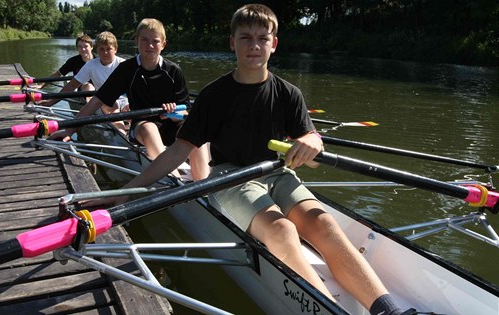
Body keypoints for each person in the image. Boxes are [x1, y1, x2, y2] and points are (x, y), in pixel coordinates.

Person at [108, 4, 407, 315]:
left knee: (324, 222)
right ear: (232, 42)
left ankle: (389, 309)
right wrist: (129, 190)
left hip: (277, 173)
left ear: (273, 44)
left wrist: (310, 142)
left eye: (262, 38)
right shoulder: (214, 95)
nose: (254, 46)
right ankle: (329, 309)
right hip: (231, 178)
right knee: (282, 231)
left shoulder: (289, 93)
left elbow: (312, 138)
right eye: (246, 37)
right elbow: (178, 151)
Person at [53, 18, 210, 181]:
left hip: (171, 124)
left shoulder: (174, 71)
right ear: (136, 41)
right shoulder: (127, 69)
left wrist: (172, 112)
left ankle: (203, 183)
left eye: (155, 41)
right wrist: (70, 129)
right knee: (150, 128)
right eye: (144, 40)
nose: (150, 45)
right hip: (142, 126)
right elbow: (96, 101)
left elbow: (184, 110)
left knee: (195, 128)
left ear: (163, 44)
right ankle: (174, 180)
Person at [40, 31, 128, 132]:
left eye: (109, 49)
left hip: (125, 100)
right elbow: (72, 85)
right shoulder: (91, 65)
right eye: (101, 49)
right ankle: (122, 132)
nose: (105, 53)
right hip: (106, 101)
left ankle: (129, 126)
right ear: (97, 49)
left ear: (116, 49)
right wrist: (52, 102)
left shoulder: (124, 64)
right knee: (111, 108)